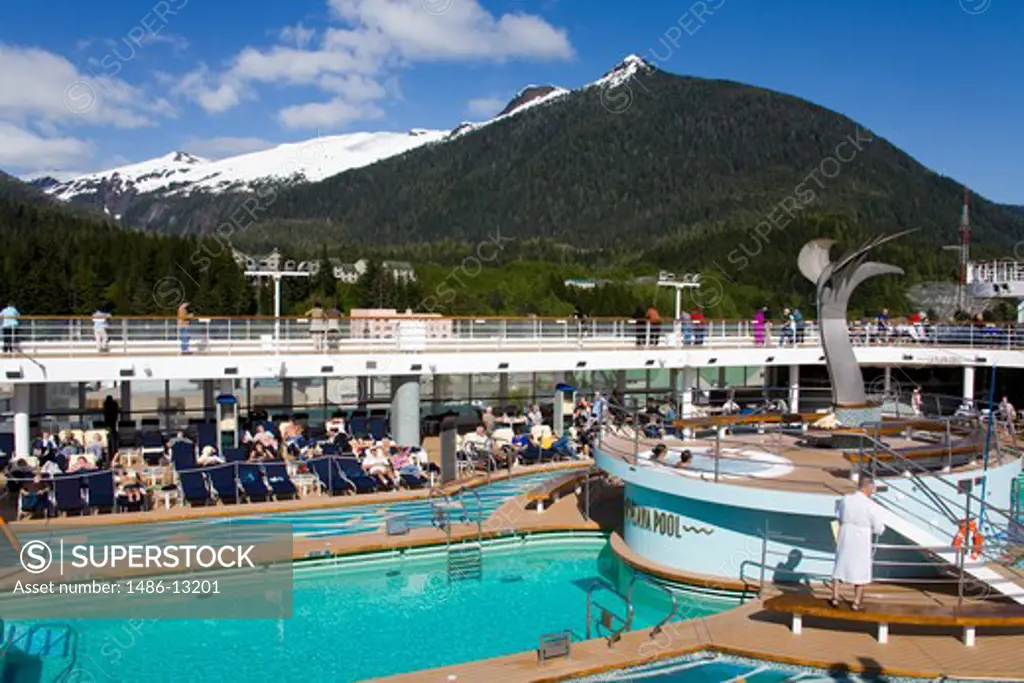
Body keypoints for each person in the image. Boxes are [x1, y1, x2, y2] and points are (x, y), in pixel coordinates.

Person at [830, 475, 885, 611]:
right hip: (861, 537)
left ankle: (835, 596)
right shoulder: (870, 505)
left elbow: (839, 515)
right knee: (860, 568)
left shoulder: (846, 499)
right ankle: (856, 602)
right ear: (868, 489)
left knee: (840, 563)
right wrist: (879, 530)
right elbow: (878, 526)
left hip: (846, 533)